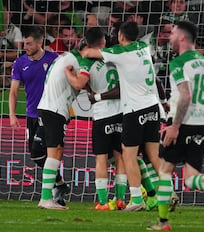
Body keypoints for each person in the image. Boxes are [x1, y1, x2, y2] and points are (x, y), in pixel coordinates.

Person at [148, 21, 204, 231]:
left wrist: (175, 126)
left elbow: (185, 95)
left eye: (173, 33)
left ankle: (163, 222)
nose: (170, 37)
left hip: (182, 121)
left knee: (165, 170)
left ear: (182, 38)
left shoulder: (179, 63)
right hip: (202, 125)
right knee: (190, 178)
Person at [83, 21, 162, 211]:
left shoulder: (118, 53)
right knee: (151, 156)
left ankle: (131, 200)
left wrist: (85, 50)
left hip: (130, 110)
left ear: (120, 36)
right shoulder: (144, 47)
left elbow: (89, 54)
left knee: (125, 155)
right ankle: (164, 193)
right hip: (151, 105)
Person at [64, 27, 126, 211]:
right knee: (119, 156)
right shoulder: (114, 56)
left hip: (102, 114)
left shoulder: (87, 61)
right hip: (121, 111)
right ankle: (120, 199)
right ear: (103, 41)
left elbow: (79, 83)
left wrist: (69, 73)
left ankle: (102, 202)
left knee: (101, 158)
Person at [8, 26, 69, 206]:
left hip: (51, 113)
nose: (25, 47)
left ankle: (51, 192)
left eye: (29, 43)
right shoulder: (20, 63)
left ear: (39, 42)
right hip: (31, 114)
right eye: (24, 43)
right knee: (35, 155)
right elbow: (13, 92)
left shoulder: (54, 60)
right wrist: (12, 114)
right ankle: (59, 184)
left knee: (42, 150)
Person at [37, 37, 91, 210]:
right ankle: (46, 198)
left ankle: (52, 194)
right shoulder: (78, 60)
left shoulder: (67, 57)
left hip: (48, 107)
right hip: (54, 110)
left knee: (55, 151)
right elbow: (80, 83)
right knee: (54, 152)